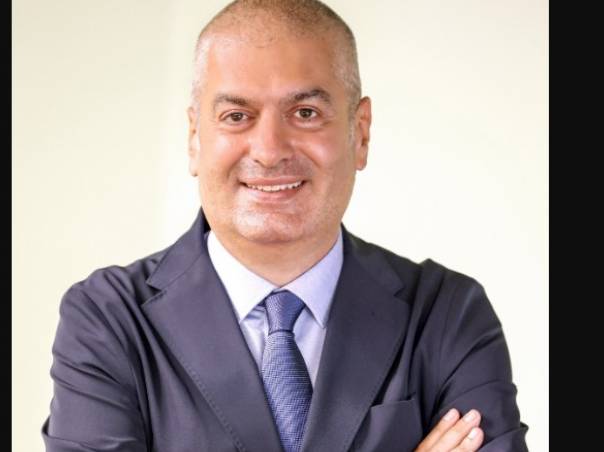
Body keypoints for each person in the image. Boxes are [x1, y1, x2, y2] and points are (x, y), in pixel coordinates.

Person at [41, 1, 529, 451]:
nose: (270, 150)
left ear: (360, 133)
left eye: (305, 113)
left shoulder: (446, 315)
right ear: (194, 138)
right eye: (237, 115)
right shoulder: (109, 320)